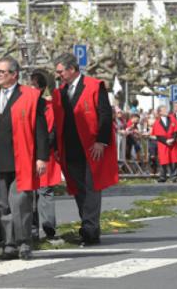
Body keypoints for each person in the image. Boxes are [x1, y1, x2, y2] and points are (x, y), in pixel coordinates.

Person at [0, 57, 49, 261]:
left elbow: (41, 130)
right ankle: (9, 243)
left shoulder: (31, 96)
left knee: (21, 203)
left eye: (2, 71)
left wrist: (42, 157)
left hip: (22, 158)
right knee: (2, 204)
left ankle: (24, 242)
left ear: (14, 74)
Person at [49, 54, 116, 245]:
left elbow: (105, 114)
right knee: (78, 188)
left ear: (71, 69)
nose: (59, 75)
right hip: (69, 147)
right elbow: (56, 122)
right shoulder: (60, 92)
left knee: (91, 186)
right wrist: (54, 146)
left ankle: (89, 227)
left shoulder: (95, 85)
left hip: (91, 146)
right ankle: (90, 226)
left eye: (61, 71)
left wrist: (101, 141)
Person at [28, 69, 59, 244]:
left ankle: (48, 227)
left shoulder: (48, 107)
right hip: (29, 154)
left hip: (44, 155)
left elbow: (51, 133)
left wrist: (42, 152)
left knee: (45, 191)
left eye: (32, 85)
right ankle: (32, 229)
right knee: (30, 193)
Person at [152, 105, 177, 183]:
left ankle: (174, 176)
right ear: (160, 112)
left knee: (174, 160)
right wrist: (166, 141)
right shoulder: (157, 122)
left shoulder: (172, 119)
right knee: (163, 161)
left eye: (166, 109)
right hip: (163, 144)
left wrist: (173, 139)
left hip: (173, 143)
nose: (166, 111)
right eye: (164, 110)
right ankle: (163, 176)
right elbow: (158, 135)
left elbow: (176, 131)